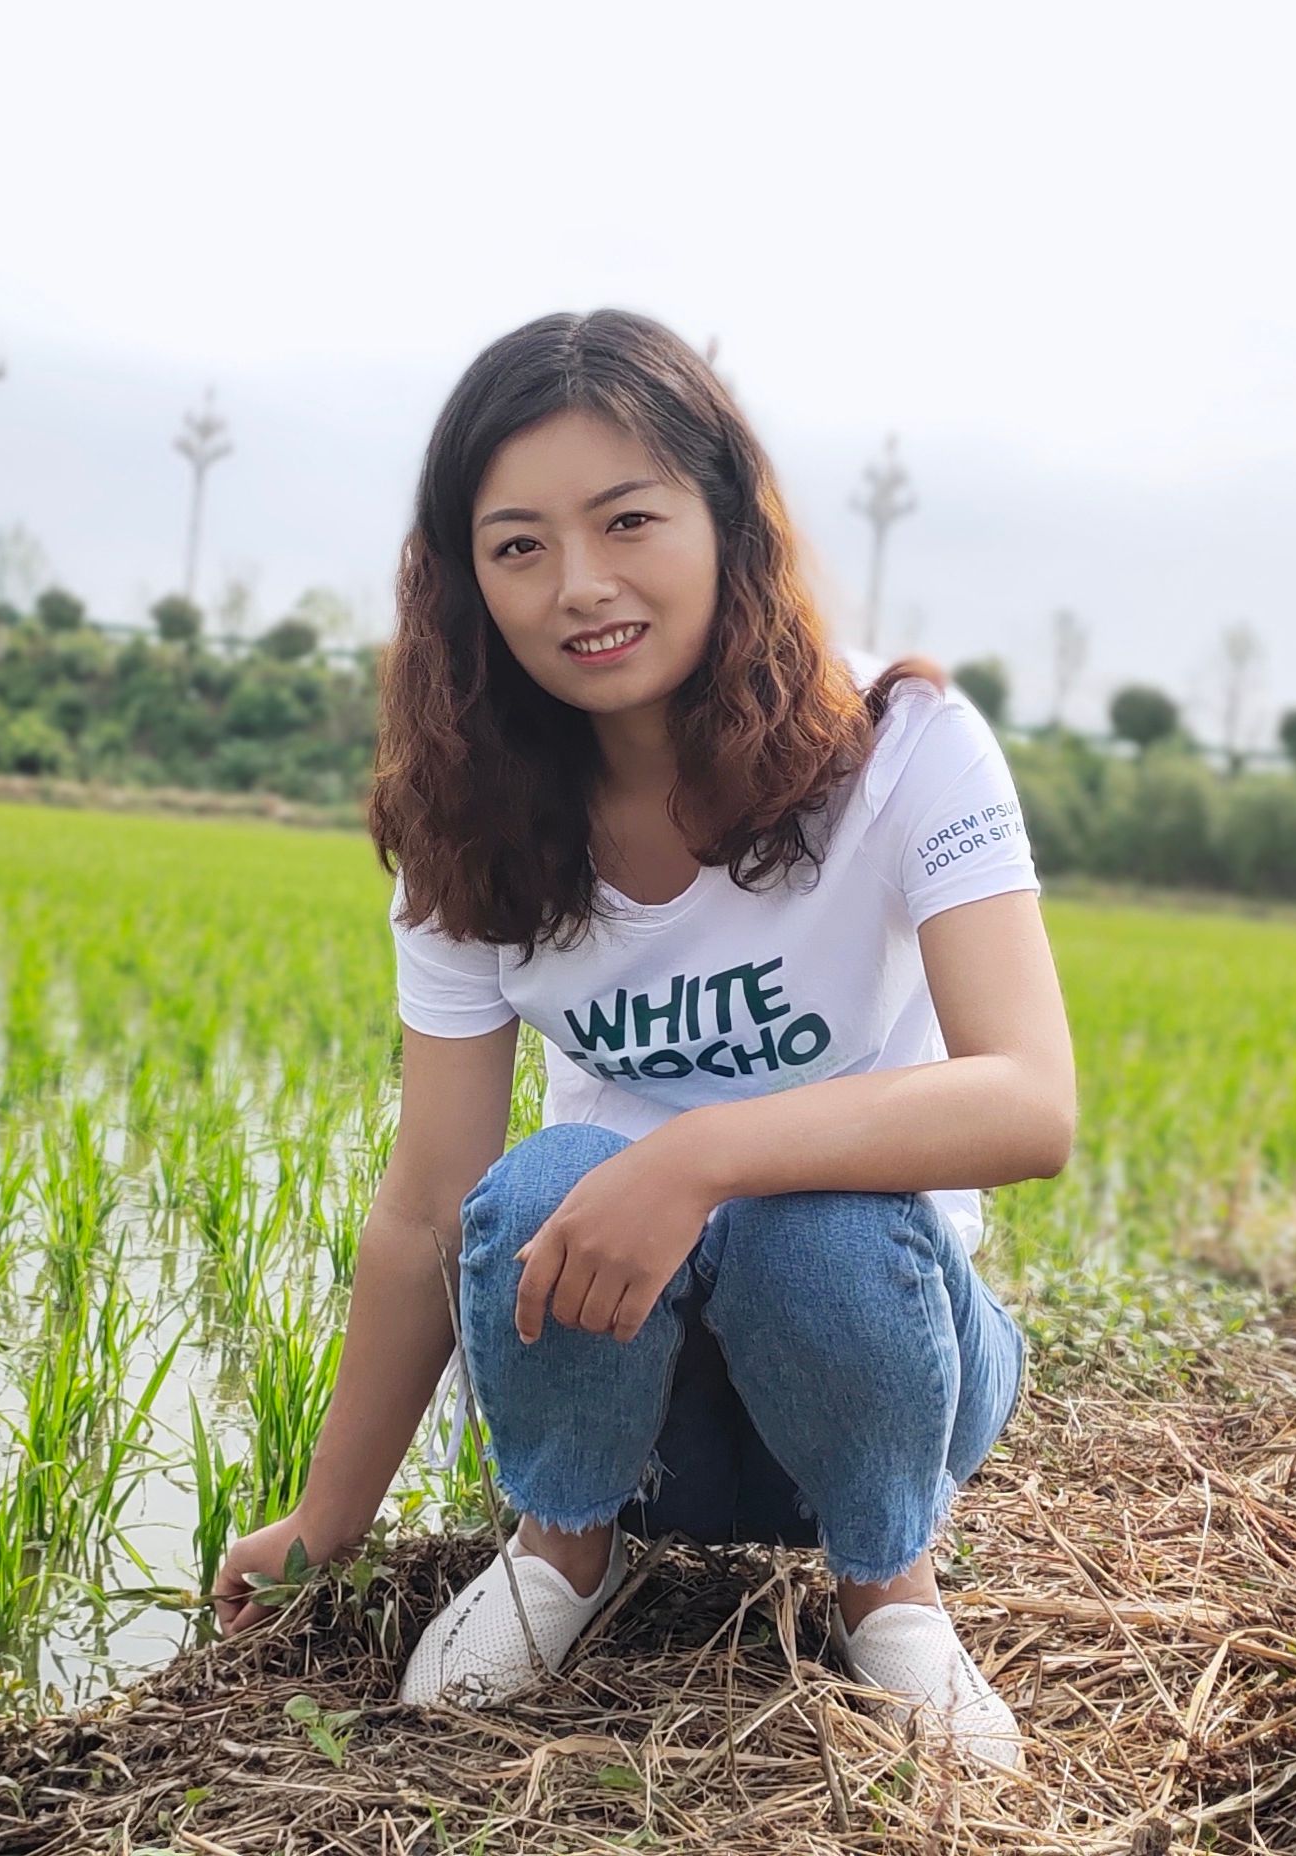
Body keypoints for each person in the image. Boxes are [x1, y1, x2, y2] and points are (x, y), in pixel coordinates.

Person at [207, 309, 1074, 1776]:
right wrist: (324, 1523)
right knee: (540, 1186)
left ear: (726, 520)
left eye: (627, 522)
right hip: (628, 1412)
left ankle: (889, 1594)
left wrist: (698, 1155)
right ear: (464, 581)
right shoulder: (464, 823)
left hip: (883, 1377)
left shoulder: (900, 742)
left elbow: (1027, 1103)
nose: (579, 588)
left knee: (814, 1226)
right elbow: (428, 1204)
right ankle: (565, 1554)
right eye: (518, 546)